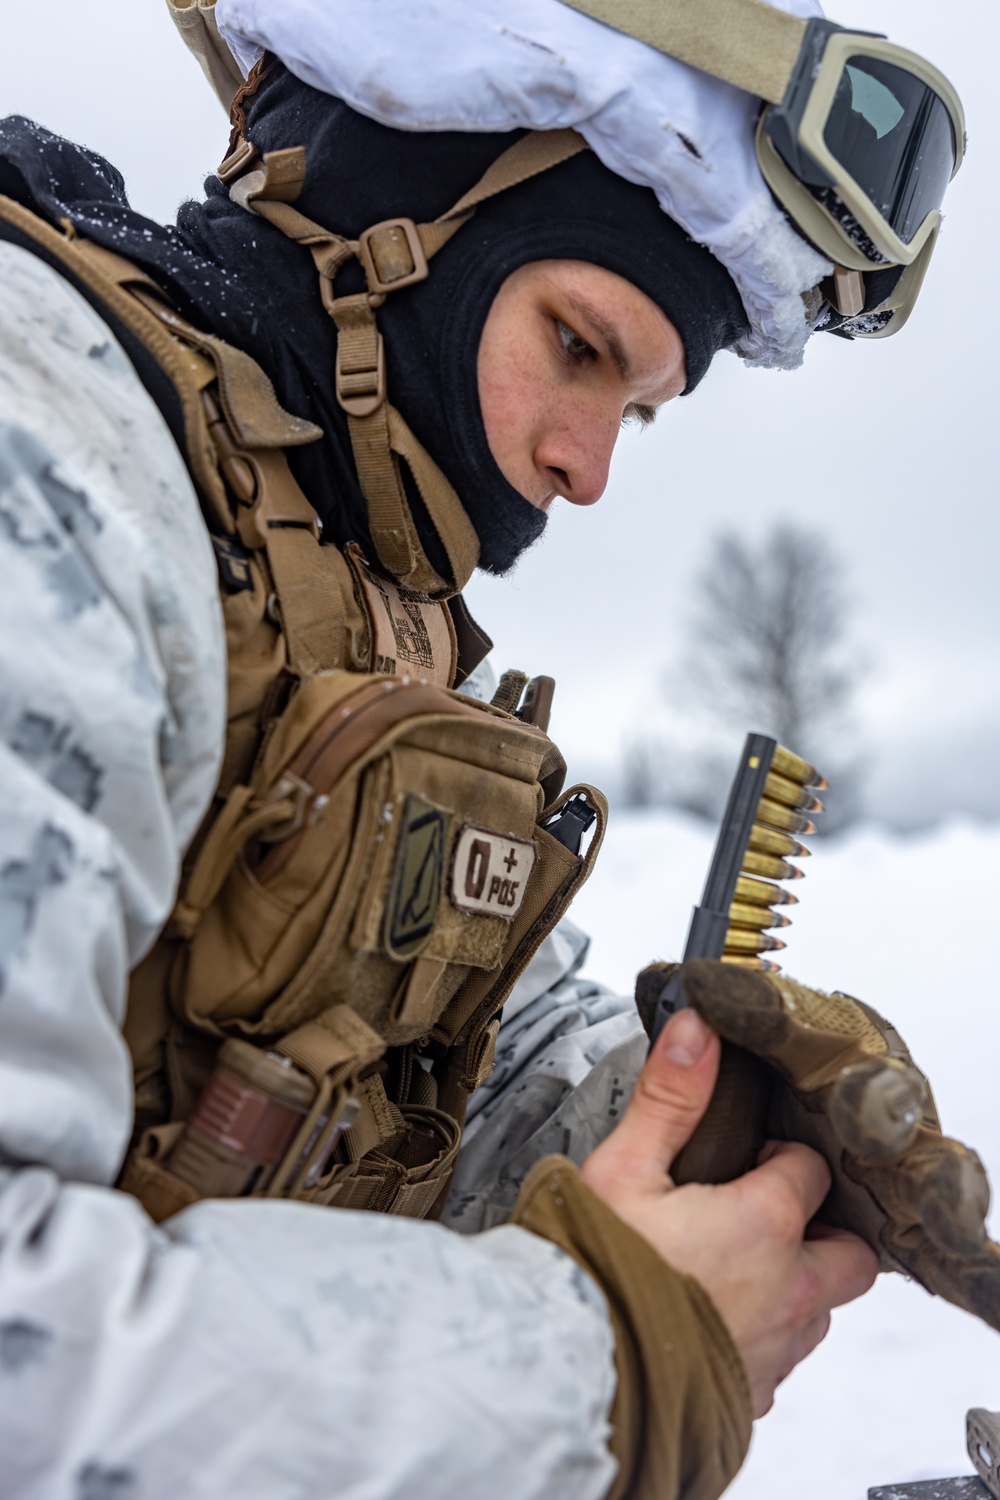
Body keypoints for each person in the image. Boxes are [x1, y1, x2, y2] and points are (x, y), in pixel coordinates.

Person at [0, 2, 990, 1497]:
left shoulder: (338, 595)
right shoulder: (52, 463)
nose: (583, 472)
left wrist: (697, 1120)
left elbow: (459, 1063)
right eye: (580, 347)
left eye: (638, 418)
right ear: (394, 221)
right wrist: (600, 1357)